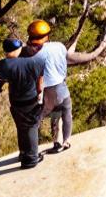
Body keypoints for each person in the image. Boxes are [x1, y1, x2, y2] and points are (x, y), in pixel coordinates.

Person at [0, 36, 46, 169]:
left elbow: (1, 79)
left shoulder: (3, 65)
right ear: (18, 48)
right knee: (31, 127)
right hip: (31, 100)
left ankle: (23, 153)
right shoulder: (35, 62)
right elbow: (40, 82)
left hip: (15, 101)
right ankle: (31, 159)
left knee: (20, 127)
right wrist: (40, 94)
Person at [27, 20, 73, 154]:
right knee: (66, 114)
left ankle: (49, 144)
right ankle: (66, 141)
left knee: (46, 117)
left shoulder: (36, 55)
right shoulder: (60, 46)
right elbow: (64, 59)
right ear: (47, 35)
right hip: (62, 87)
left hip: (48, 91)